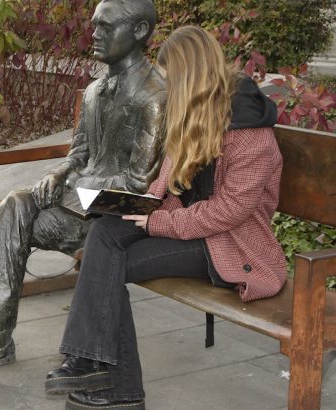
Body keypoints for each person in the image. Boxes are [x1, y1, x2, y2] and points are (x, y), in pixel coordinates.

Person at [46, 25, 287, 410]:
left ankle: (110, 380)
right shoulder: (195, 114)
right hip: (187, 228)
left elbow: (230, 211)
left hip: (229, 246)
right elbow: (167, 180)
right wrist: (129, 205)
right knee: (106, 233)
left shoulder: (252, 135)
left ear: (191, 78)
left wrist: (157, 223)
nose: (165, 87)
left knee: (111, 262)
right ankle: (88, 364)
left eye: (170, 79)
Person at [0, 0, 166, 371]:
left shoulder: (154, 96)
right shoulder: (95, 91)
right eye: (94, 26)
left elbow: (142, 182)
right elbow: (80, 153)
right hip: (85, 204)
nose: (94, 35)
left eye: (106, 27)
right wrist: (58, 175)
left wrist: (75, 188)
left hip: (128, 213)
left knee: (19, 212)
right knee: (15, 205)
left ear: (140, 31)